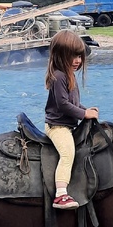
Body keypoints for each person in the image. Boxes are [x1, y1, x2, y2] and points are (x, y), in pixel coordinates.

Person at [44, 30, 99, 209]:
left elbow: (73, 102)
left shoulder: (69, 75)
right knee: (68, 153)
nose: (77, 60)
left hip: (66, 125)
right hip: (57, 127)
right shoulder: (59, 76)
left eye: (79, 56)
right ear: (60, 56)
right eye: (72, 56)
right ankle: (60, 195)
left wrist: (85, 109)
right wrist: (84, 115)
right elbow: (62, 105)